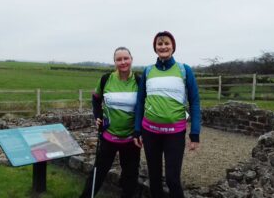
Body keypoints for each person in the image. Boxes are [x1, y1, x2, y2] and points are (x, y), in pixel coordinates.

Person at [133, 31, 201, 198]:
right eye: (159, 44)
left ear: (173, 47)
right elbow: (140, 101)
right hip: (150, 133)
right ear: (155, 48)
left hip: (175, 134)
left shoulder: (184, 70)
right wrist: (137, 130)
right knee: (154, 177)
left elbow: (195, 102)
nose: (163, 46)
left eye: (166, 43)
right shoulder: (148, 71)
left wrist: (195, 133)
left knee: (172, 179)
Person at [80, 47, 141, 198]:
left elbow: (145, 107)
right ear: (114, 62)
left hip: (130, 139)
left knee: (130, 176)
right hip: (108, 136)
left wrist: (140, 131)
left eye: (125, 58)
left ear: (131, 59)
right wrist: (98, 116)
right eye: (119, 59)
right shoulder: (106, 79)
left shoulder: (140, 81)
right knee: (98, 172)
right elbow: (95, 99)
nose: (123, 62)